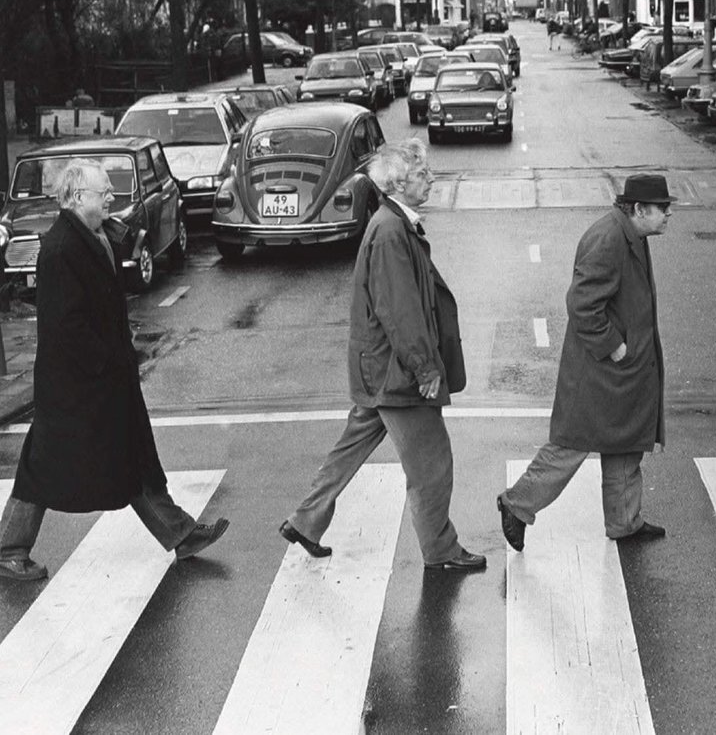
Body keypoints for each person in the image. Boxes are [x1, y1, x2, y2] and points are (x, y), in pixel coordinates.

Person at [0, 160, 228, 581]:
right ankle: (9, 548)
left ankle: (180, 534)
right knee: (44, 465)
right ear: (76, 197)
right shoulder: (60, 248)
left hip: (98, 380)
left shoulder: (91, 234)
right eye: (103, 191)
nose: (111, 196)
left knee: (130, 457)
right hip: (78, 386)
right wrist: (105, 364)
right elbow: (66, 324)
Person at [280, 139, 485, 572]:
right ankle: (441, 551)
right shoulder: (391, 232)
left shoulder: (390, 223)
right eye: (421, 175)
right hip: (396, 375)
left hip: (378, 370)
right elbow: (400, 311)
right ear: (397, 183)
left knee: (349, 450)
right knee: (432, 464)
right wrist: (425, 368)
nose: (430, 179)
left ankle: (305, 520)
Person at [498, 175, 675, 551]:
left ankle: (625, 522)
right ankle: (517, 504)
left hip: (620, 373)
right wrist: (615, 347)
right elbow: (582, 304)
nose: (668, 215)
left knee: (627, 444)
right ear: (639, 210)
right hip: (599, 372)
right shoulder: (608, 239)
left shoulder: (632, 234)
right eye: (663, 208)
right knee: (572, 445)